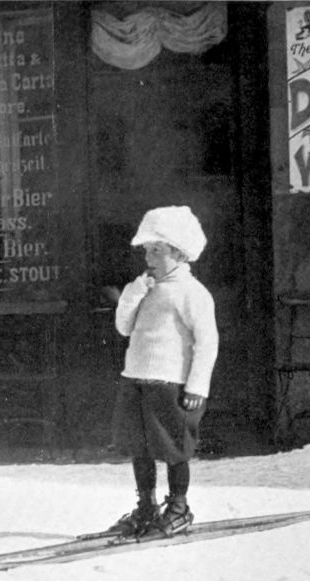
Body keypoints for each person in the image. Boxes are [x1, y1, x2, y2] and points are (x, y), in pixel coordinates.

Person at [109, 205, 219, 537]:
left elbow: (207, 342)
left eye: (158, 250)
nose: (149, 258)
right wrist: (132, 294)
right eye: (147, 250)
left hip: (170, 383)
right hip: (136, 377)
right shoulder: (145, 288)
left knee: (173, 446)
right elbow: (124, 328)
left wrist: (197, 386)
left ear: (180, 252)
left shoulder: (192, 293)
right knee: (139, 445)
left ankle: (179, 508)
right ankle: (146, 507)